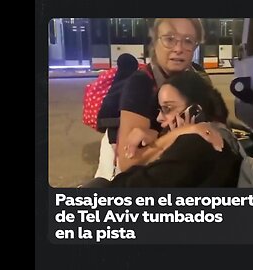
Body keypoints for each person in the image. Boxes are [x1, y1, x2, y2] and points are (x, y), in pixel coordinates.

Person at [94, 18, 223, 179]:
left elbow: (215, 128)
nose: (178, 48)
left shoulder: (199, 77)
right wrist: (181, 133)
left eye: (188, 41)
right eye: (169, 39)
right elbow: (128, 163)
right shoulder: (141, 84)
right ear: (155, 43)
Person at [84, 71, 242, 187]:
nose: (159, 118)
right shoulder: (219, 133)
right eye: (160, 109)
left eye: (167, 108)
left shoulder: (197, 143)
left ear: (195, 111)